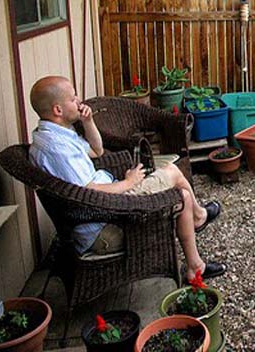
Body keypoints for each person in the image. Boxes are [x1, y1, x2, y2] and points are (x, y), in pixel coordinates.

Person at [28, 76, 226, 281]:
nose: (79, 101)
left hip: (108, 204)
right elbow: (87, 192)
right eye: (72, 98)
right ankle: (198, 220)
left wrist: (88, 122)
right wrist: (128, 183)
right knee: (174, 176)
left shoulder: (56, 135)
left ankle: (196, 259)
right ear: (57, 110)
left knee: (182, 194)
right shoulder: (56, 149)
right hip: (104, 224)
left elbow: (97, 150)